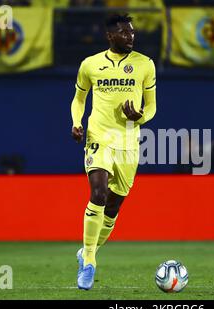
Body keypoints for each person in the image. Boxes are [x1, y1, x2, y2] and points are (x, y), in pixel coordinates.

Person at [70, 13, 157, 290]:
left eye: (132, 33)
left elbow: (153, 107)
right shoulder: (90, 65)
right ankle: (91, 262)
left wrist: (140, 115)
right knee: (97, 192)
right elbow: (79, 99)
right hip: (99, 137)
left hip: (129, 144)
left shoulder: (145, 65)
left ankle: (87, 250)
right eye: (125, 33)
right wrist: (76, 122)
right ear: (111, 36)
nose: (131, 37)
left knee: (113, 206)